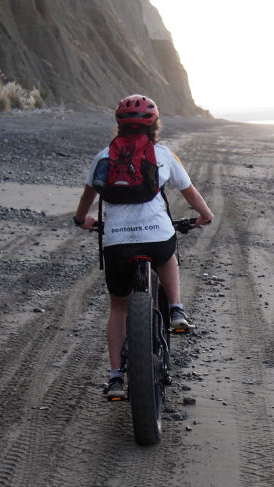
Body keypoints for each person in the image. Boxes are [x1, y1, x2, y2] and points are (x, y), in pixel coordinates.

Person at [73, 94, 213, 400]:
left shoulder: (103, 158)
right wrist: (205, 215)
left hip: (117, 243)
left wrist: (81, 218)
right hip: (157, 237)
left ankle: (114, 378)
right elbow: (190, 193)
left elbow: (88, 198)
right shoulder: (163, 154)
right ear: (155, 126)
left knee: (119, 307)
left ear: (119, 125)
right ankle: (176, 308)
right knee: (168, 253)